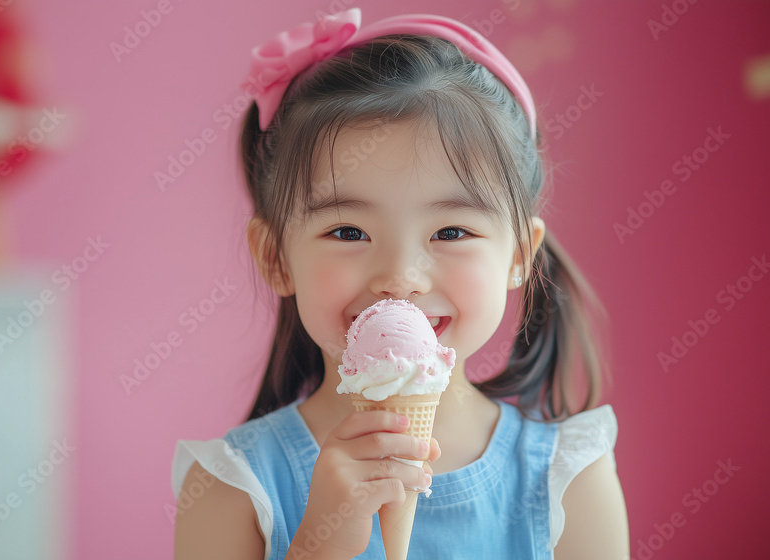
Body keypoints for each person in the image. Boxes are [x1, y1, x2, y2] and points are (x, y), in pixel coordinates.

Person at [171, 8, 628, 559]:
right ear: (276, 259)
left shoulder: (569, 478)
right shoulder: (232, 486)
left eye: (451, 231)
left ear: (519, 256)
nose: (399, 278)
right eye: (348, 230)